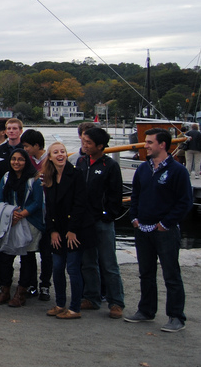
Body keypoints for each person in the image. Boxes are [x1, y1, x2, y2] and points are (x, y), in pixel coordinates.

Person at [124, 128, 193, 332]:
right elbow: (135, 195)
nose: (145, 146)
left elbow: (185, 202)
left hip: (165, 230)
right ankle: (146, 310)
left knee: (171, 274)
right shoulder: (143, 169)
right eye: (146, 142)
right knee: (145, 272)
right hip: (142, 228)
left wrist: (166, 223)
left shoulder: (178, 171)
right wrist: (134, 218)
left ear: (162, 145)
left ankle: (176, 316)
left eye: (149, 142)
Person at [76, 126, 125, 319]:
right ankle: (91, 297)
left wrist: (108, 215)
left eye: (88, 143)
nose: (85, 145)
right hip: (84, 221)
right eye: (84, 141)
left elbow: (116, 195)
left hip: (102, 221)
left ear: (100, 145)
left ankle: (116, 302)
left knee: (108, 263)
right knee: (88, 262)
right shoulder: (81, 162)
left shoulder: (110, 166)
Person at [43, 141, 92, 320]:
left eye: (62, 151)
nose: (60, 154)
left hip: (75, 229)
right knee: (57, 267)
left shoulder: (76, 175)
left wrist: (72, 230)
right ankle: (60, 303)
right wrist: (52, 231)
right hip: (58, 229)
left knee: (72, 268)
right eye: (55, 152)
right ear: (50, 157)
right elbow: (48, 208)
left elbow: (80, 205)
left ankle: (75, 307)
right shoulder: (49, 177)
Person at [0, 148, 43, 307]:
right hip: (10, 220)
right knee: (5, 258)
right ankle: (5, 290)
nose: (16, 162)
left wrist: (22, 213)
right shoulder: (6, 178)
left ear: (26, 161)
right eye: (13, 159)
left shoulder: (34, 179)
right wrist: (11, 213)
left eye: (20, 159)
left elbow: (37, 201)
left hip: (29, 221)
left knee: (27, 258)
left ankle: (21, 292)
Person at [17, 129, 51, 301]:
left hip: (48, 211)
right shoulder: (28, 161)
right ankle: (30, 283)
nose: (26, 149)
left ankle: (45, 284)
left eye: (27, 146)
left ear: (37, 145)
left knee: (46, 252)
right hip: (31, 213)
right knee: (28, 251)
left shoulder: (50, 160)